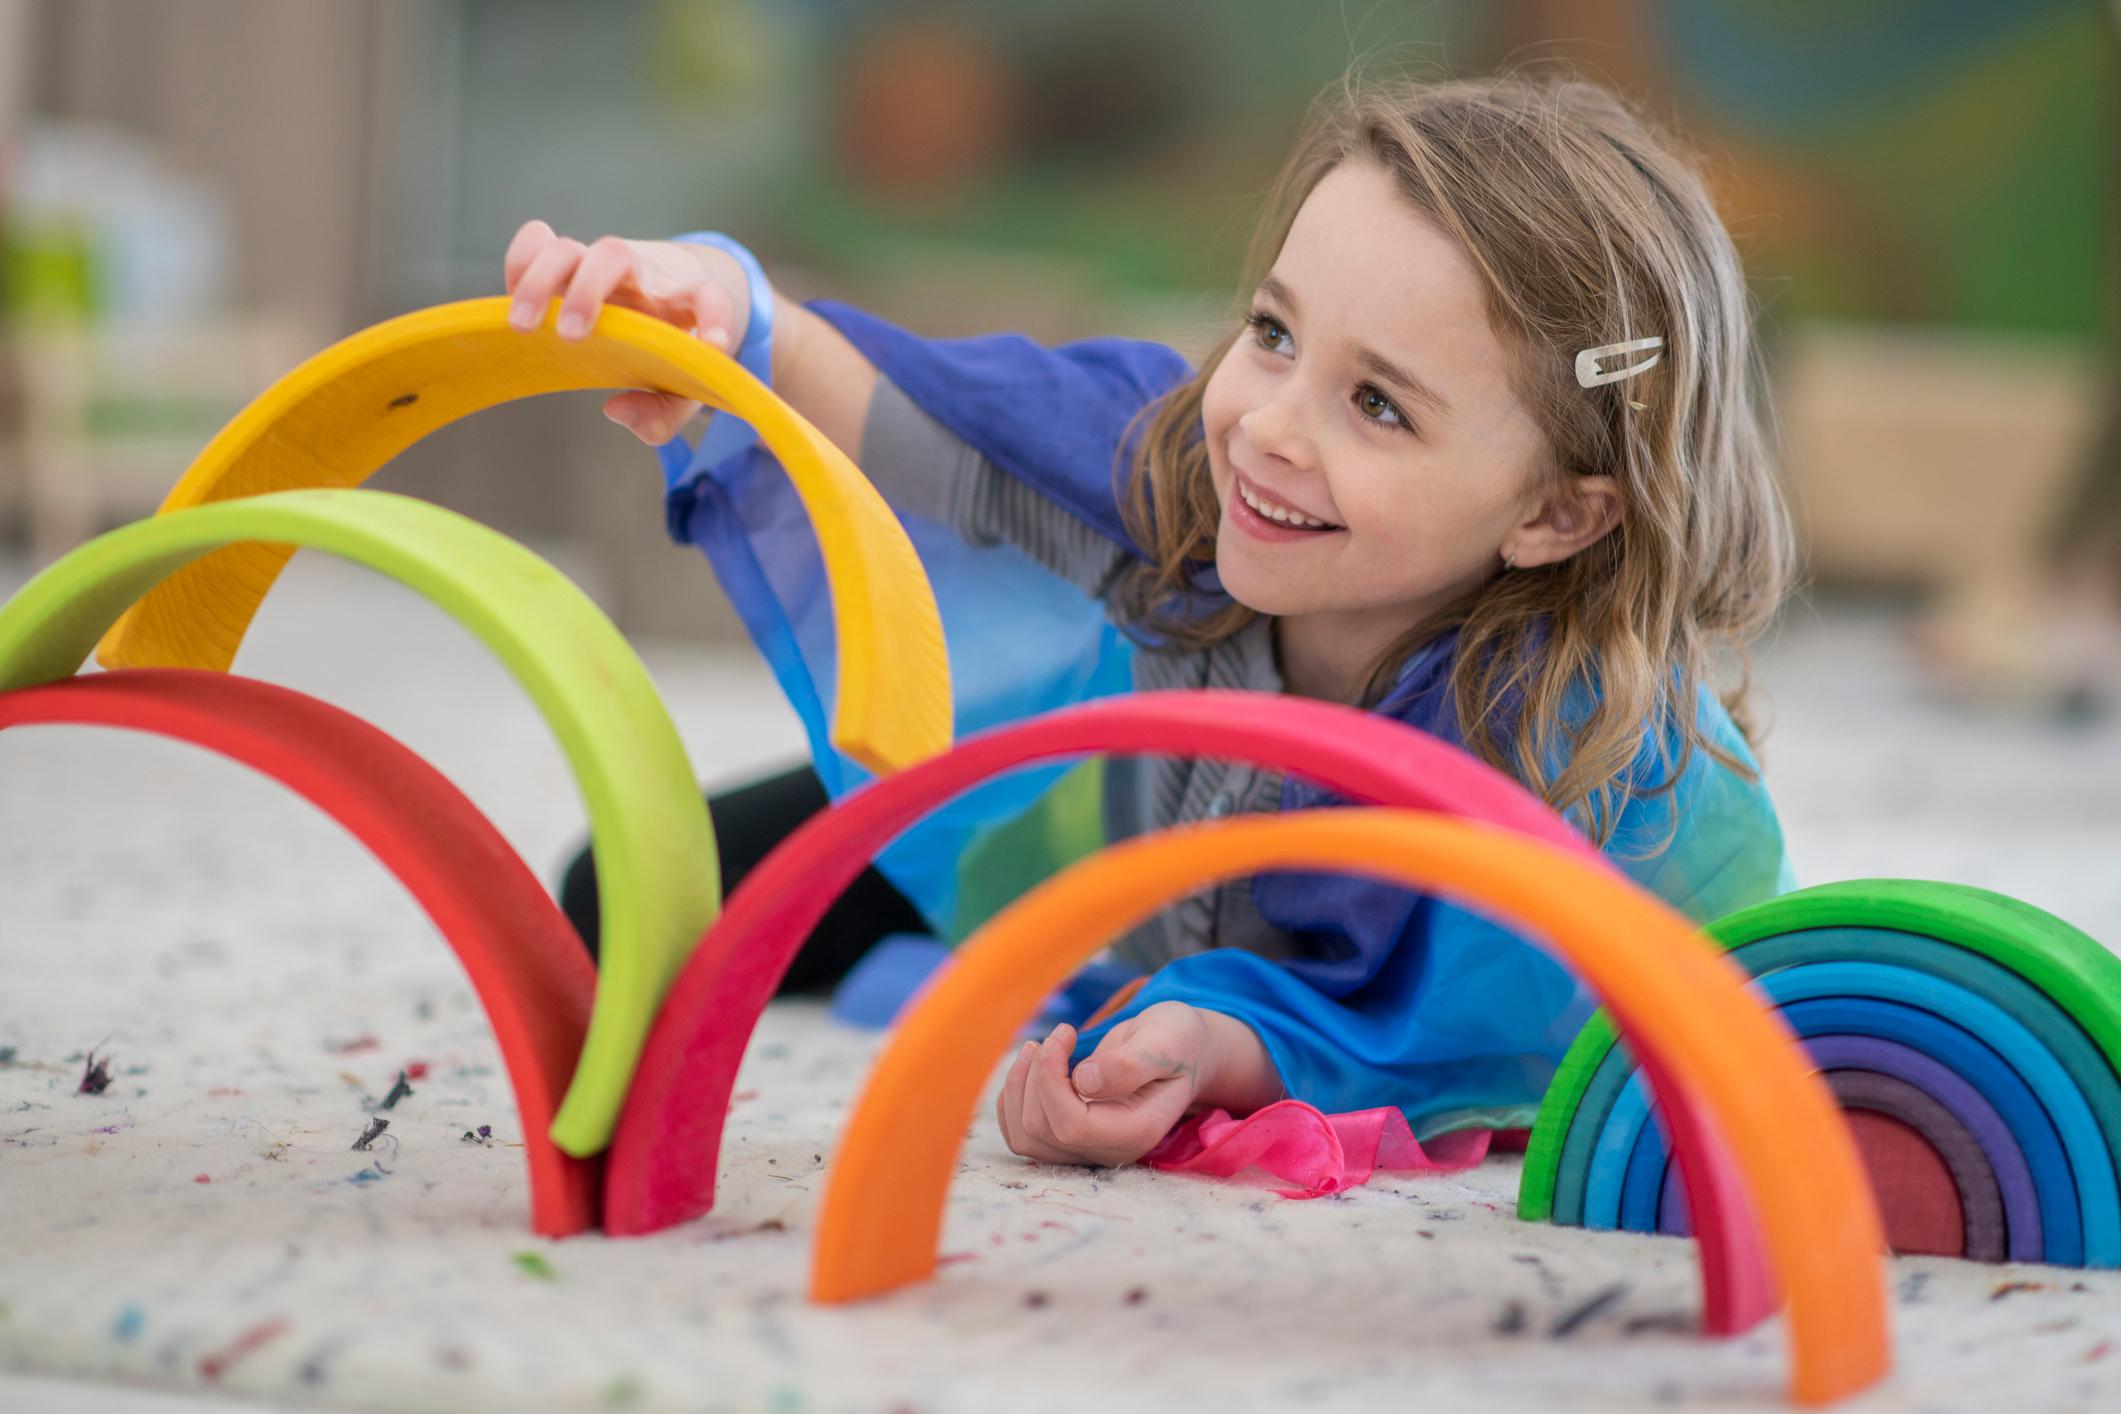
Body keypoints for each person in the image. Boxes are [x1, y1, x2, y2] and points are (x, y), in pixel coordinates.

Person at [508, 71, 1796, 1172]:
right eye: (1277, 333)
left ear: (1558, 518)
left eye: (1381, 406)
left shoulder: (1578, 764)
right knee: (616, 894)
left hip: (1225, 963)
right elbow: (904, 413)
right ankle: (962, 909)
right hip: (1071, 825)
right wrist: (711, 305)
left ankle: (1019, 951)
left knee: (1134, 1022)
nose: (1273, 427)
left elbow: (1446, 1037)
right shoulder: (1173, 461)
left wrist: (1206, 1048)